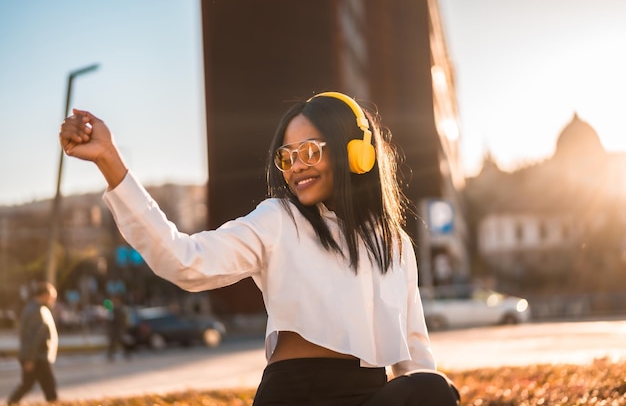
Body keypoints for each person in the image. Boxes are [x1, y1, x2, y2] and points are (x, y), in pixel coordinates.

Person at [60, 91, 460, 405]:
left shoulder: (393, 243)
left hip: (370, 395)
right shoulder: (279, 219)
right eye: (287, 157)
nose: (296, 166)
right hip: (296, 394)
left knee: (434, 390)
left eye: (310, 151)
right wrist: (110, 161)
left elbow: (414, 355)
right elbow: (184, 260)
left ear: (356, 153)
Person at [7, 282, 59, 404]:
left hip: (36, 356)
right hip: (37, 357)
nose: (53, 299)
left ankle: (11, 403)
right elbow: (33, 337)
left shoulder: (36, 308)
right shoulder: (36, 311)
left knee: (28, 385)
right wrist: (29, 359)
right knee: (49, 388)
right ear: (45, 294)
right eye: (52, 296)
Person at [106, 294, 130, 361]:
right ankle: (110, 355)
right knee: (112, 342)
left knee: (121, 341)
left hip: (119, 328)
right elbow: (109, 320)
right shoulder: (111, 309)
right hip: (113, 329)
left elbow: (124, 317)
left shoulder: (121, 308)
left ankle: (126, 354)